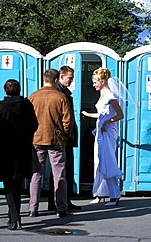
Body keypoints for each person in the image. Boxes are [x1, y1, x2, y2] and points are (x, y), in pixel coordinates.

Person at [28, 69, 74, 218]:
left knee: (36, 174)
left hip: (37, 138)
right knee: (59, 175)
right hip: (56, 140)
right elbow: (68, 120)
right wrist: (65, 135)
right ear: (56, 80)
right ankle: (61, 207)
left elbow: (27, 118)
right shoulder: (60, 97)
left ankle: (33, 208)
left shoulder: (33, 96)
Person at [0, 80, 38, 230]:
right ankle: (14, 215)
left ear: (5, 91)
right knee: (17, 184)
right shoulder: (26, 105)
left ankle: (14, 216)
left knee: (8, 184)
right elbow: (34, 125)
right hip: (22, 148)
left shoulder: (0, 107)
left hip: (5, 149)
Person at [81, 68, 124, 206]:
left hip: (107, 131)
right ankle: (100, 193)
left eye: (95, 82)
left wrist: (106, 122)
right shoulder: (102, 95)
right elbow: (102, 114)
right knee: (98, 160)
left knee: (107, 161)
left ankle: (114, 195)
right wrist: (88, 115)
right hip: (101, 130)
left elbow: (119, 115)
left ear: (103, 81)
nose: (94, 85)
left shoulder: (110, 96)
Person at [48, 66, 81, 211]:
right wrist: (67, 133)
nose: (72, 80)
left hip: (64, 135)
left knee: (62, 170)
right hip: (62, 136)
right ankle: (59, 201)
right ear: (61, 77)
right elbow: (64, 117)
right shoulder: (60, 93)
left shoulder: (65, 91)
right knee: (62, 170)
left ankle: (62, 200)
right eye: (70, 78)